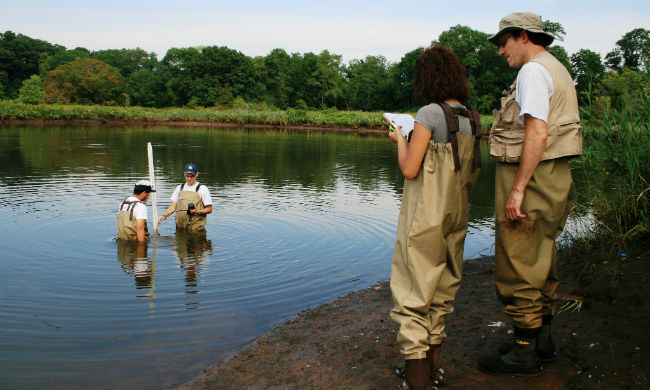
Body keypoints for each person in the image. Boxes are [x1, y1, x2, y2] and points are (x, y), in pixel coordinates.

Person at [478, 12, 582, 376]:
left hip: (535, 180)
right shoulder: (556, 68)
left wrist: (517, 190)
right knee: (541, 258)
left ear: (523, 36)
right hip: (553, 177)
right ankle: (541, 341)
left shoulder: (532, 71)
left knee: (519, 261)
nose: (500, 51)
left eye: (503, 42)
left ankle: (523, 354)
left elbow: (536, 133)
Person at [388, 46, 482, 390]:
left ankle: (417, 381)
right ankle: (434, 371)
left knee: (413, 292)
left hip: (425, 216)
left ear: (427, 78)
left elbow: (410, 169)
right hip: (456, 218)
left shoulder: (428, 113)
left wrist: (400, 139)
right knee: (442, 291)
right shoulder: (471, 117)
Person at [158, 163, 213, 232]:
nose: (189, 178)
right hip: (180, 228)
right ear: (184, 174)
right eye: (187, 176)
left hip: (196, 229)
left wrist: (198, 211)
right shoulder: (179, 188)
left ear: (197, 174)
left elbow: (209, 209)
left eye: (192, 176)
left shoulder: (203, 189)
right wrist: (163, 216)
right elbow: (173, 206)